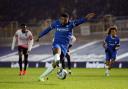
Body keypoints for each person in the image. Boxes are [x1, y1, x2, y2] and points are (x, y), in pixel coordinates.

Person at [37, 12, 95, 81]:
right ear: (60, 19)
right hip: (57, 44)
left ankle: (41, 77)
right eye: (62, 20)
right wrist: (39, 36)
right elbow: (47, 29)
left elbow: (80, 21)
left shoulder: (71, 24)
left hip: (64, 47)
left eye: (65, 20)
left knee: (54, 64)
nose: (64, 21)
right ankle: (59, 66)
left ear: (68, 19)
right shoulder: (56, 23)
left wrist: (86, 18)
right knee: (57, 57)